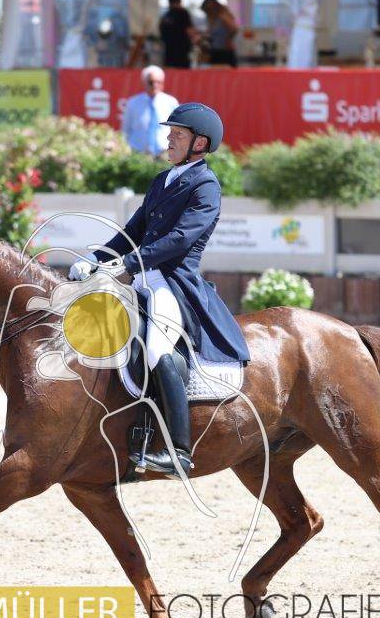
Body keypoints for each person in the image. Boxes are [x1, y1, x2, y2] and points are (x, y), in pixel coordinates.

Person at [68, 103, 250, 479]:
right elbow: (133, 231)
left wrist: (128, 264)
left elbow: (180, 239)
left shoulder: (206, 186)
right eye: (170, 133)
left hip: (173, 282)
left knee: (157, 349)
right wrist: (96, 258)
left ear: (200, 143)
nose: (169, 139)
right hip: (141, 278)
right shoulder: (162, 180)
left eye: (177, 135)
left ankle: (178, 450)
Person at [120, 66, 179, 156]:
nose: (155, 85)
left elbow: (177, 129)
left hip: (164, 154)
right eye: (151, 82)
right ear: (144, 82)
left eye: (158, 82)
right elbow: (125, 129)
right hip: (138, 153)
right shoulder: (133, 103)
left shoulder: (171, 103)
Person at [159, 0, 197, 69]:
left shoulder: (166, 15)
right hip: (182, 49)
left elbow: (161, 31)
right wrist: (194, 39)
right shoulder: (183, 13)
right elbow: (189, 30)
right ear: (179, 1)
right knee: (183, 70)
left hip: (169, 49)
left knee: (170, 69)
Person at [200, 0, 239, 67]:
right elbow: (210, 32)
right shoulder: (212, 19)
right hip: (215, 50)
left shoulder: (222, 17)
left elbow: (234, 29)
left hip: (225, 51)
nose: (207, 13)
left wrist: (228, 40)